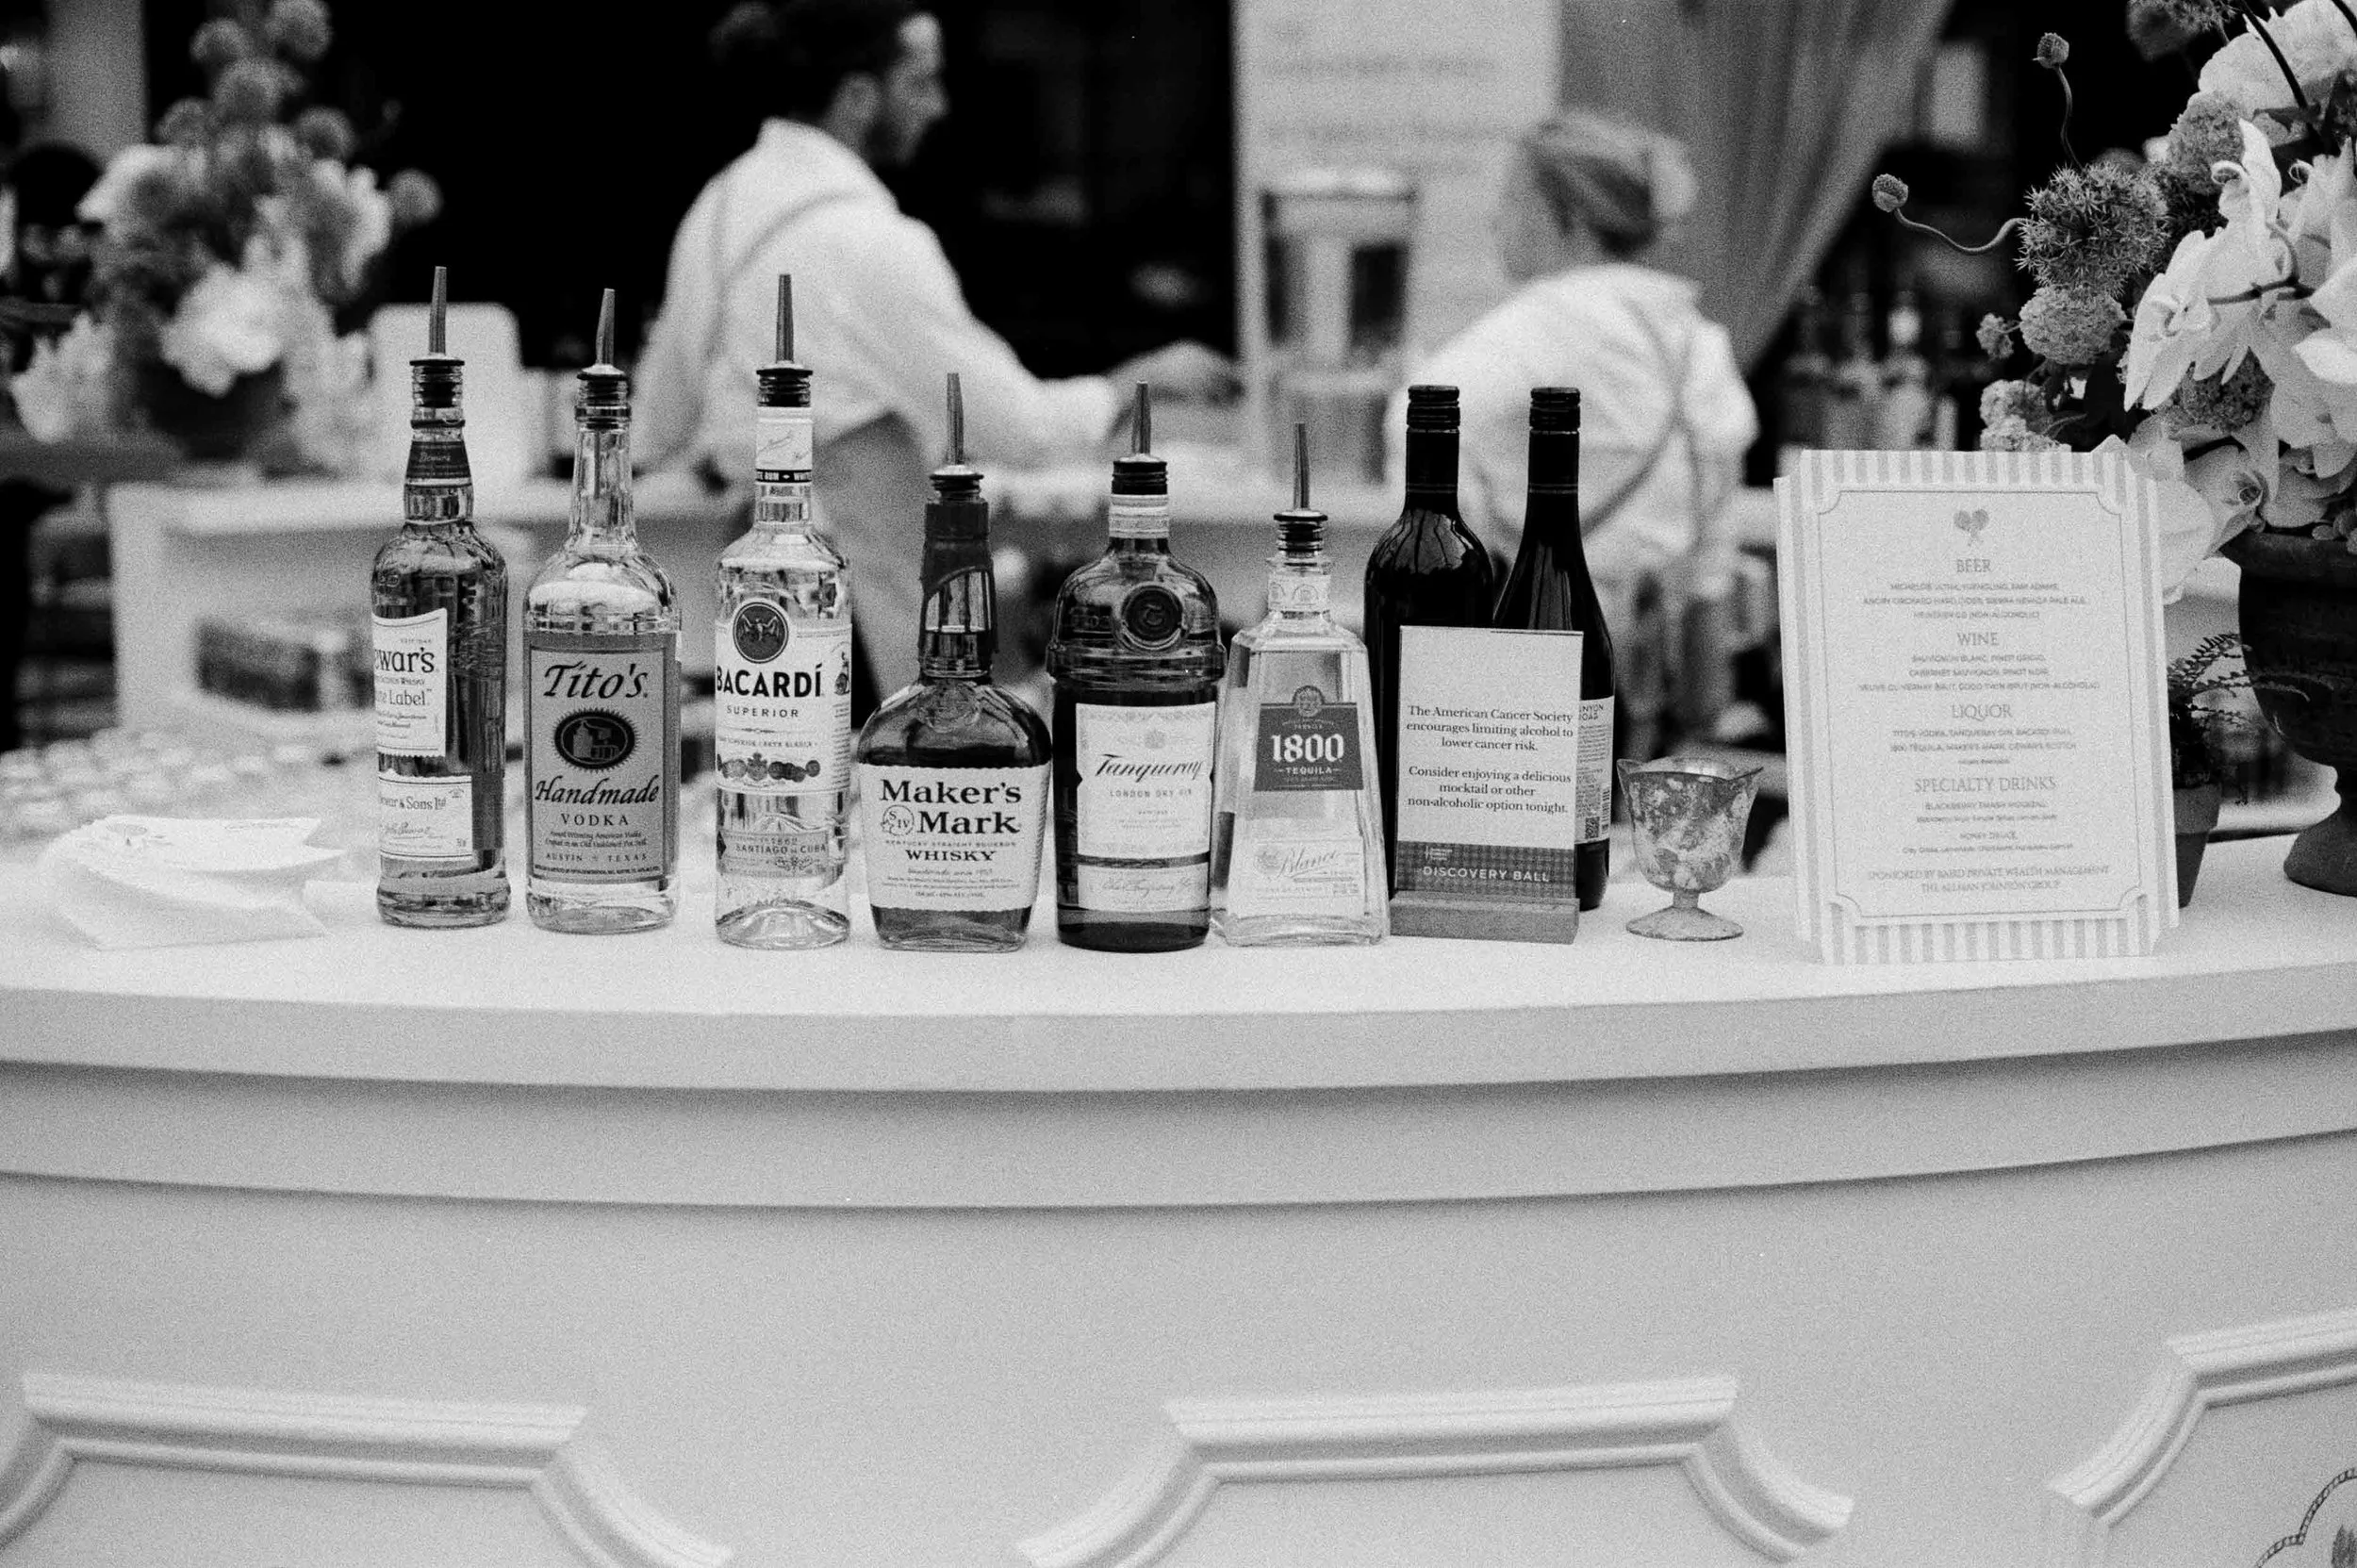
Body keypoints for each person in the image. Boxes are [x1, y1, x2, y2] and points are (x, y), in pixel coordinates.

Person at [637, 0, 1232, 700]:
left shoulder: (717, 208)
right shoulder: (871, 242)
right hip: (853, 603)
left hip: (752, 593)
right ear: (859, 97)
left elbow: (660, 422)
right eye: (920, 82)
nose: (939, 106)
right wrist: (1139, 381)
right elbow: (1016, 427)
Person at [1389, 110, 1757, 760]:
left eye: (1512, 200)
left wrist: (1478, 551)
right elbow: (1712, 561)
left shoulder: (1549, 319)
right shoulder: (1699, 341)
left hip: (1535, 675)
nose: (1497, 221)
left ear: (1572, 220)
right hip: (1655, 684)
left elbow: (1414, 417)